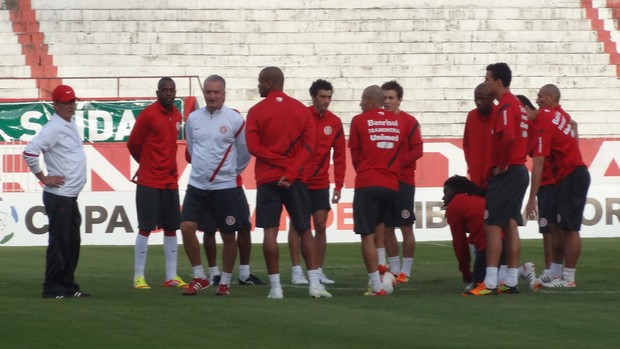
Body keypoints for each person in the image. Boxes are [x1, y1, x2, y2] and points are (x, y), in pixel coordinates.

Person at [245, 66, 331, 299]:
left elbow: (254, 147)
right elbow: (309, 147)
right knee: (305, 230)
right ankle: (314, 285)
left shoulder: (256, 111)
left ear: (269, 83)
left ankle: (276, 288)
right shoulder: (301, 111)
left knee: (270, 232)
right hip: (296, 180)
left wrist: (277, 161)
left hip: (267, 178)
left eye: (260, 82)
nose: (258, 86)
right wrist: (291, 170)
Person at [180, 75, 252, 296]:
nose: (211, 96)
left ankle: (225, 282)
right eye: (208, 92)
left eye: (216, 92)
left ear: (224, 93)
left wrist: (230, 173)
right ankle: (200, 276)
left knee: (229, 234)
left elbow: (244, 152)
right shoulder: (193, 118)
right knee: (186, 227)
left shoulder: (235, 119)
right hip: (197, 185)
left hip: (225, 187)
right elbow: (191, 148)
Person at [464, 63, 530, 296]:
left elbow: (509, 138)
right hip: (520, 169)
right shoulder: (518, 105)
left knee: (491, 224)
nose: (486, 82)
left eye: (488, 79)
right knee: (510, 223)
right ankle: (510, 280)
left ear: (498, 82)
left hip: (509, 170)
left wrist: (501, 165)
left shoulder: (504, 107)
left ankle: (490, 282)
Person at [23, 84, 90, 298]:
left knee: (71, 243)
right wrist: (43, 177)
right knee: (60, 243)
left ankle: (68, 285)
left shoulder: (69, 123)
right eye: (66, 102)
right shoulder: (54, 127)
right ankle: (52, 287)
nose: (71, 106)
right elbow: (30, 152)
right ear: (56, 105)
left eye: (73, 101)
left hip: (69, 196)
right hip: (59, 196)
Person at [525, 84, 589, 288]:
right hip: (567, 175)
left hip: (571, 175)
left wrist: (531, 198)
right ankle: (554, 272)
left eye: (541, 96)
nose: (537, 100)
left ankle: (568, 278)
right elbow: (572, 130)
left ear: (552, 98)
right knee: (558, 227)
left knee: (570, 228)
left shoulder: (545, 116)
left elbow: (539, 162)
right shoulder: (559, 114)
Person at [127, 77, 187, 290]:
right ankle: (138, 277)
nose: (169, 94)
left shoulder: (177, 115)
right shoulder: (148, 115)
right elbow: (133, 144)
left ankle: (171, 276)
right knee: (145, 228)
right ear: (158, 93)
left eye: (172, 90)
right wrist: (147, 164)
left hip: (170, 181)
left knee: (172, 228)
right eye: (165, 90)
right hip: (150, 181)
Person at [349, 85, 409, 296]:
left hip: (368, 181)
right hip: (392, 185)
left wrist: (365, 173)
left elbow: (355, 156)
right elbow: (402, 153)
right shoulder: (399, 121)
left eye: (363, 100)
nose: (360, 104)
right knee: (381, 224)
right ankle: (383, 268)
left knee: (367, 235)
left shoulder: (359, 121)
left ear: (371, 101)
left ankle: (375, 285)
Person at [287, 79, 346, 285]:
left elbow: (339, 156)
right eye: (322, 97)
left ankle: (318, 270)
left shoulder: (335, 122)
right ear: (313, 97)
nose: (326, 101)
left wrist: (338, 185)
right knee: (297, 225)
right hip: (300, 180)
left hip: (321, 181)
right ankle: (296, 271)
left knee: (320, 226)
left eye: (329, 97)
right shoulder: (301, 116)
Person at [381, 80, 423, 284]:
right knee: (387, 227)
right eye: (384, 98)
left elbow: (417, 150)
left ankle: (406, 270)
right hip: (384, 181)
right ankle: (395, 269)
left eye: (391, 98)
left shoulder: (409, 121)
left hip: (403, 181)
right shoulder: (378, 122)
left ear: (399, 100)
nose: (387, 102)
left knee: (406, 226)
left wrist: (396, 164)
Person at [200, 176, 266, 286]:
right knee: (209, 228)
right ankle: (214, 274)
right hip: (209, 186)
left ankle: (245, 274)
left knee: (245, 226)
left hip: (234, 185)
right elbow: (190, 158)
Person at [442, 175, 487, 291]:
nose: (443, 197)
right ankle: (518, 271)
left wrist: (465, 271)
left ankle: (522, 270)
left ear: (455, 190)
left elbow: (459, 243)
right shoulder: (476, 197)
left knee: (478, 285)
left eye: (446, 192)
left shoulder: (456, 204)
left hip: (487, 248)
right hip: (502, 242)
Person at [463, 83, 496, 189]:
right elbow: (467, 145)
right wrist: (472, 166)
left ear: (492, 98)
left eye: (483, 99)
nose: (478, 102)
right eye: (476, 99)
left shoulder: (500, 115)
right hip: (476, 177)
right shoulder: (471, 116)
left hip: (495, 177)